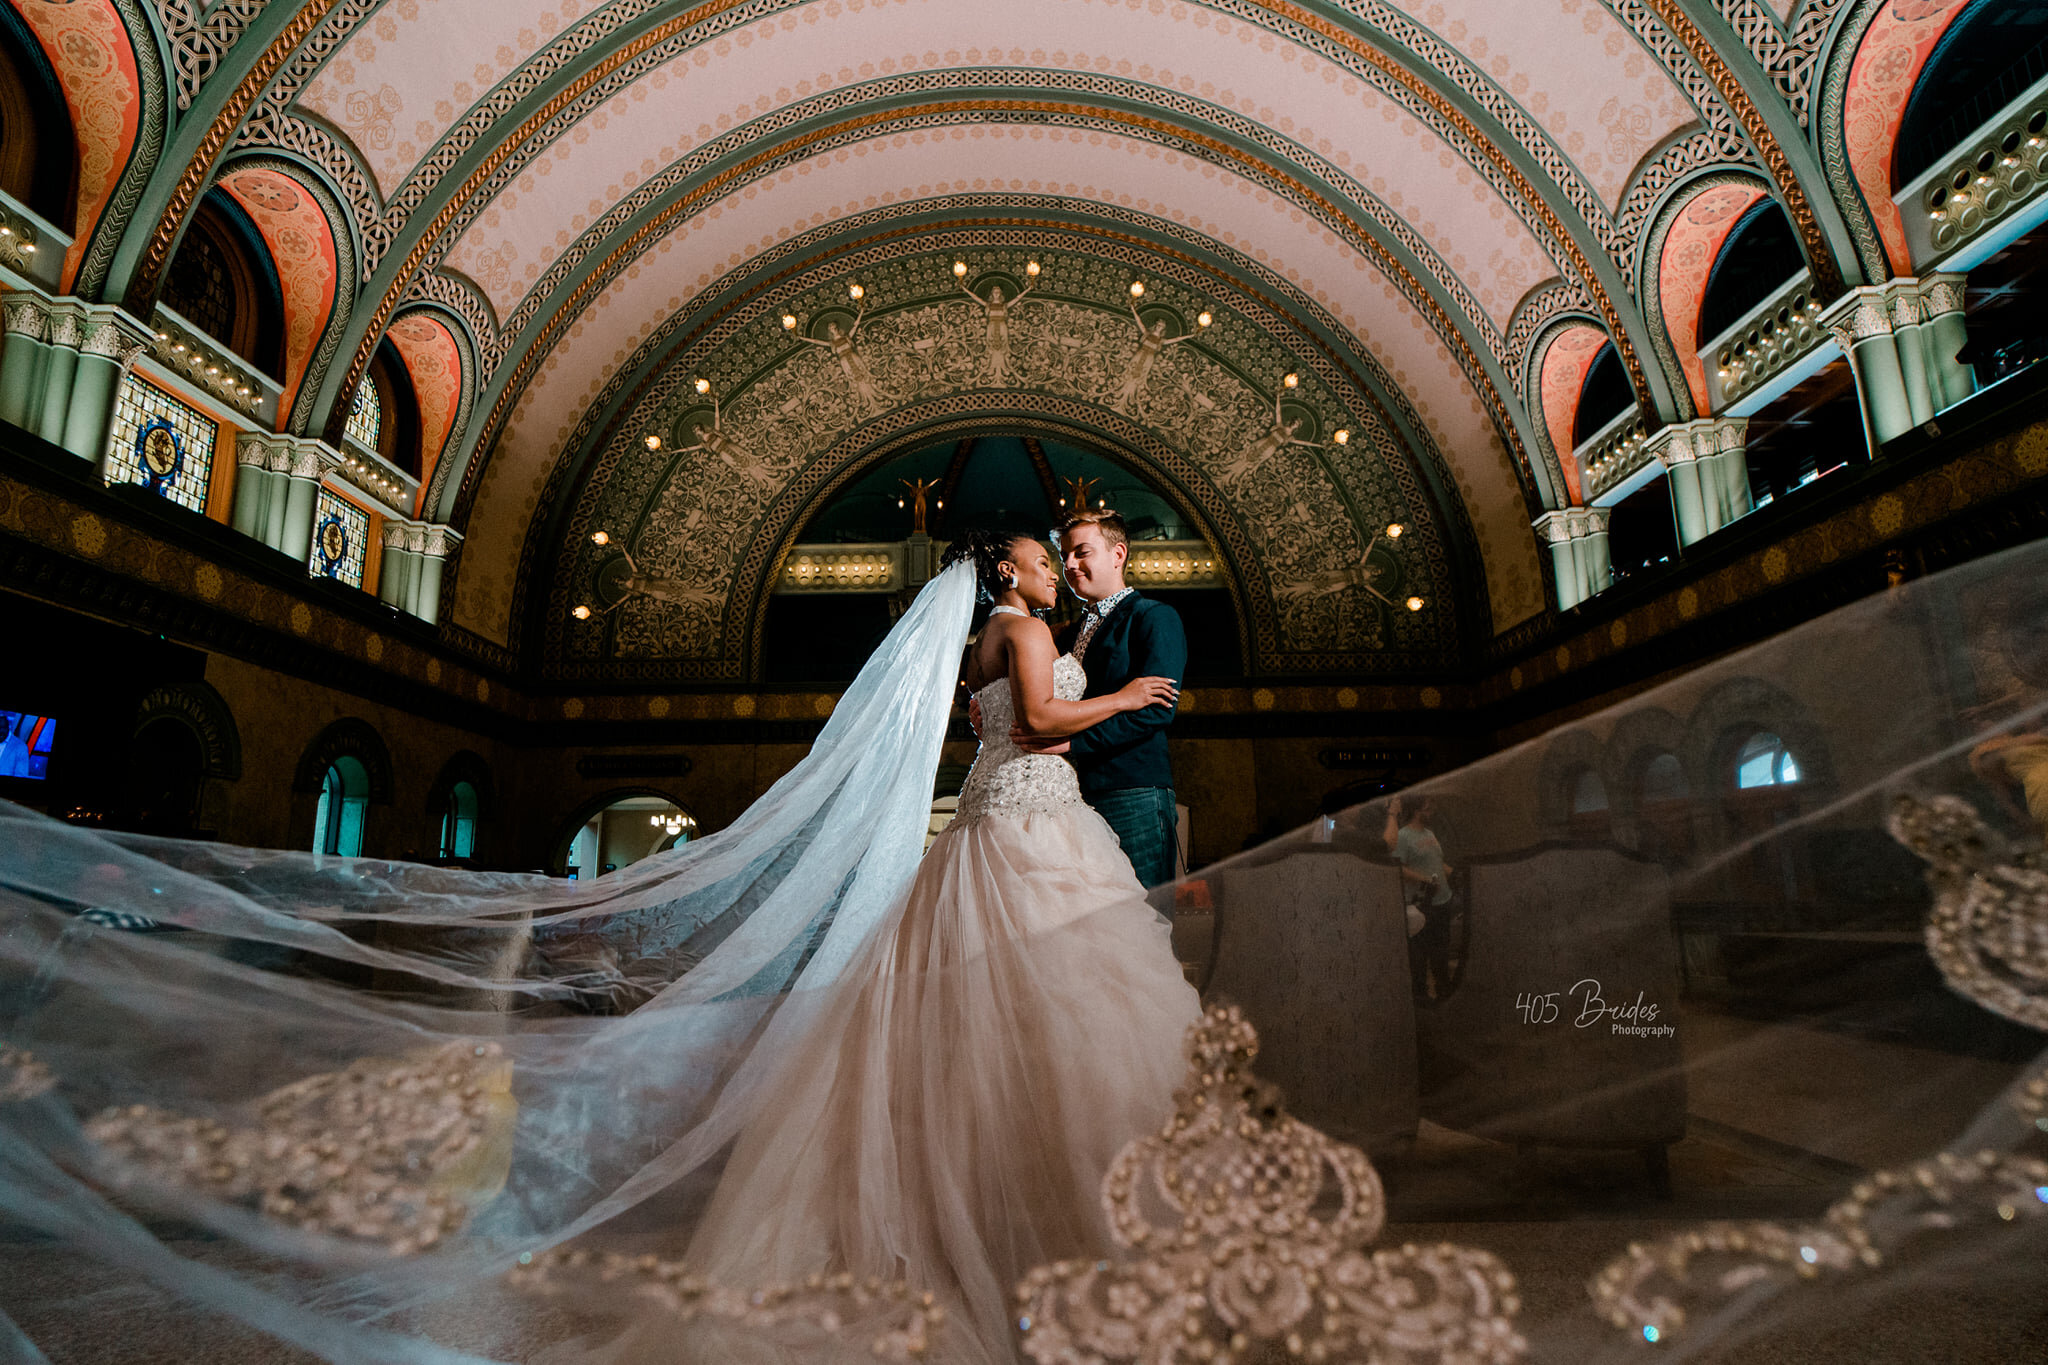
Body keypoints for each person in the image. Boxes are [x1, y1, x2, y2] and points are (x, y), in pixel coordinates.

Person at [683, 531, 1199, 1360]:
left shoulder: (994, 637)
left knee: (1006, 1005)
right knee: (1061, 1000)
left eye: (1066, 556)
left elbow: (996, 715)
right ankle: (1050, 1207)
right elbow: (1035, 721)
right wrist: (1126, 697)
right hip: (1031, 819)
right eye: (1041, 558)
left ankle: (997, 1194)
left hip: (1007, 808)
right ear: (1006, 571)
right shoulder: (1026, 631)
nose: (1051, 570)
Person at [1015, 509, 1189, 888]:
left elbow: (1155, 712)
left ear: (1118, 554)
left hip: (1133, 790)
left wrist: (1074, 743)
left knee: (1144, 919)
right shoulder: (1066, 633)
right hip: (1071, 796)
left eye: (1082, 552)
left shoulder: (1154, 617)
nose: (1070, 565)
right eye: (1064, 557)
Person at [1385, 792, 1454, 1000]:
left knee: (1441, 952)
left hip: (1443, 901)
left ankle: (1445, 993)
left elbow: (1437, 861)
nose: (1431, 811)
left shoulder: (1429, 834)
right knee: (1420, 956)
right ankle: (1422, 1000)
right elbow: (1398, 868)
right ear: (1416, 811)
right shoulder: (1404, 836)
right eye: (1427, 808)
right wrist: (1424, 880)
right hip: (1423, 906)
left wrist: (1455, 873)